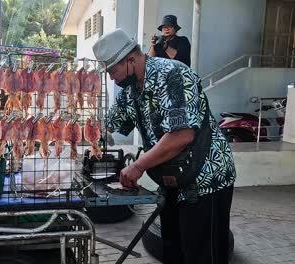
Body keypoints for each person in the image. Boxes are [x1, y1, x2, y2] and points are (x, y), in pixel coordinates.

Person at [92, 28, 236, 264]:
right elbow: (106, 125)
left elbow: (181, 136)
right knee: (173, 251)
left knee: (202, 256)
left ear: (130, 59)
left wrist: (138, 166)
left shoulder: (172, 75)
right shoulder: (130, 91)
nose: (110, 78)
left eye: (112, 71)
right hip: (173, 181)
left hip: (205, 179)